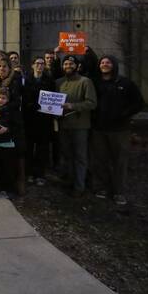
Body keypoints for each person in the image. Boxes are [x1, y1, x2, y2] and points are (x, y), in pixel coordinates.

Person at [91, 55, 144, 205]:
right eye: (102, 62)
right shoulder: (95, 83)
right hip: (99, 128)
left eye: (108, 62)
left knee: (119, 162)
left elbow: (139, 103)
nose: (105, 64)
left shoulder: (125, 83)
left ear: (113, 65)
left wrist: (124, 114)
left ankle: (119, 192)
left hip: (120, 130)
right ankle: (101, 188)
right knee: (100, 160)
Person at [56, 55, 97, 197]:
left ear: (77, 66)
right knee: (67, 155)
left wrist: (73, 106)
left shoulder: (85, 82)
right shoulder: (58, 82)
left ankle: (79, 186)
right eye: (65, 63)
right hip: (63, 125)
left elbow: (92, 103)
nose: (68, 66)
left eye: (71, 64)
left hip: (80, 126)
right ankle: (69, 181)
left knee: (80, 157)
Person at [22, 56, 56, 186]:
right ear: (32, 65)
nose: (40, 66)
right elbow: (23, 97)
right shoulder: (26, 80)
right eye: (37, 63)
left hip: (44, 119)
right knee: (29, 148)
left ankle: (40, 174)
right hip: (29, 118)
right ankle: (29, 173)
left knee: (42, 149)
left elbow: (53, 97)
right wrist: (30, 104)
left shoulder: (49, 80)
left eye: (42, 64)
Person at [0, 87, 23, 197]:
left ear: (8, 99)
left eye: (3, 98)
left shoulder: (13, 112)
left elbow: (18, 127)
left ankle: (10, 190)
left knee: (9, 168)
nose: (0, 100)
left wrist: (7, 130)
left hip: (8, 144)